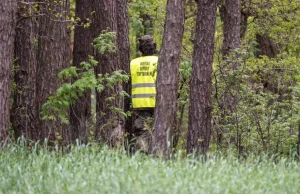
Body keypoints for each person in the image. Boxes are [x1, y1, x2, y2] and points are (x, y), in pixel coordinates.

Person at [130, 35, 158, 152]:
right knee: (159, 131)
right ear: (154, 47)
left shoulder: (133, 63)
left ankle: (142, 155)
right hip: (158, 102)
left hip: (139, 103)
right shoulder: (159, 61)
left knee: (142, 131)